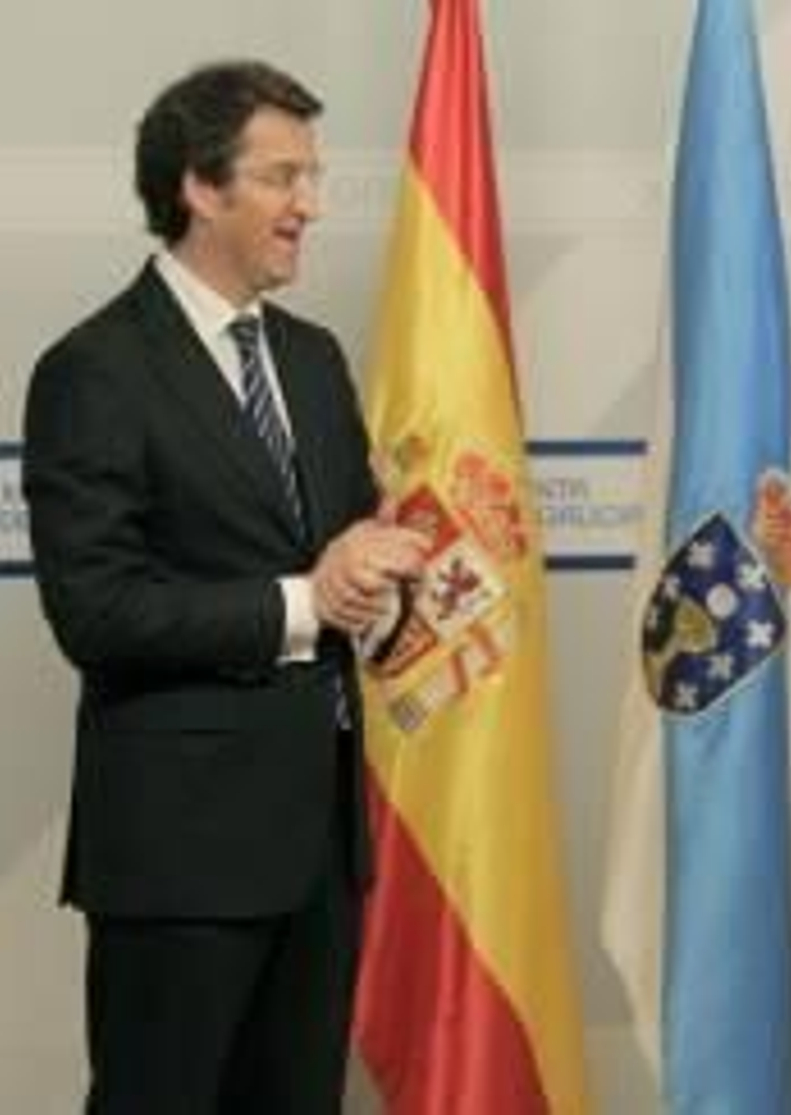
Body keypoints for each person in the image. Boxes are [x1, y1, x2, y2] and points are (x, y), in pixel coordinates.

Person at [23, 60, 429, 1114]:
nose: (312, 205)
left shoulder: (311, 358)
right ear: (200, 189)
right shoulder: (94, 371)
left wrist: (379, 595)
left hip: (318, 856)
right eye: (283, 176)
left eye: (314, 175)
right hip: (178, 861)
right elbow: (97, 610)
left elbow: (355, 560)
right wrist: (306, 600)